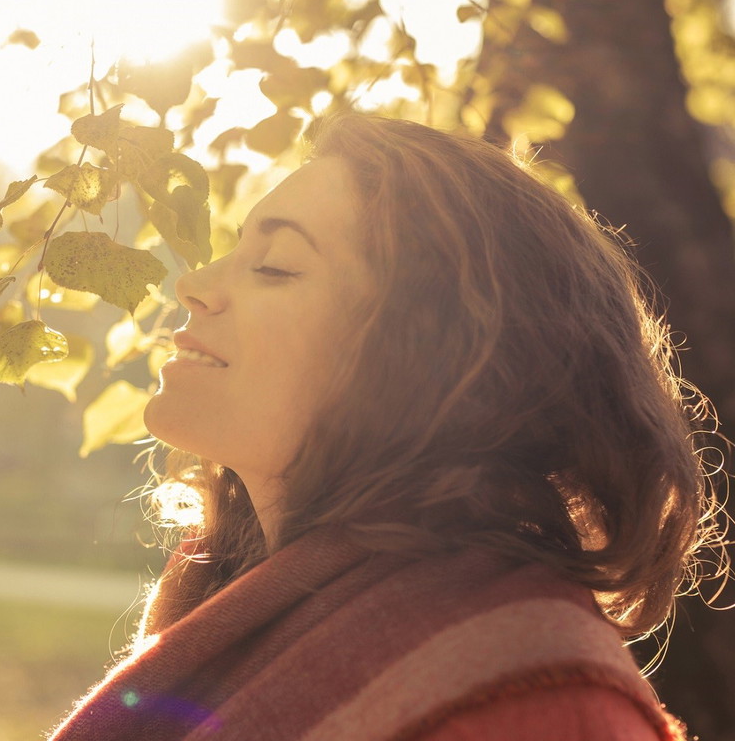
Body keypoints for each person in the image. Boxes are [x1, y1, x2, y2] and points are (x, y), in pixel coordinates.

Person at [48, 113, 727, 741]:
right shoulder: (220, 613)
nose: (191, 283)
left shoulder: (529, 696)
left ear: (430, 354)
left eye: (276, 266)